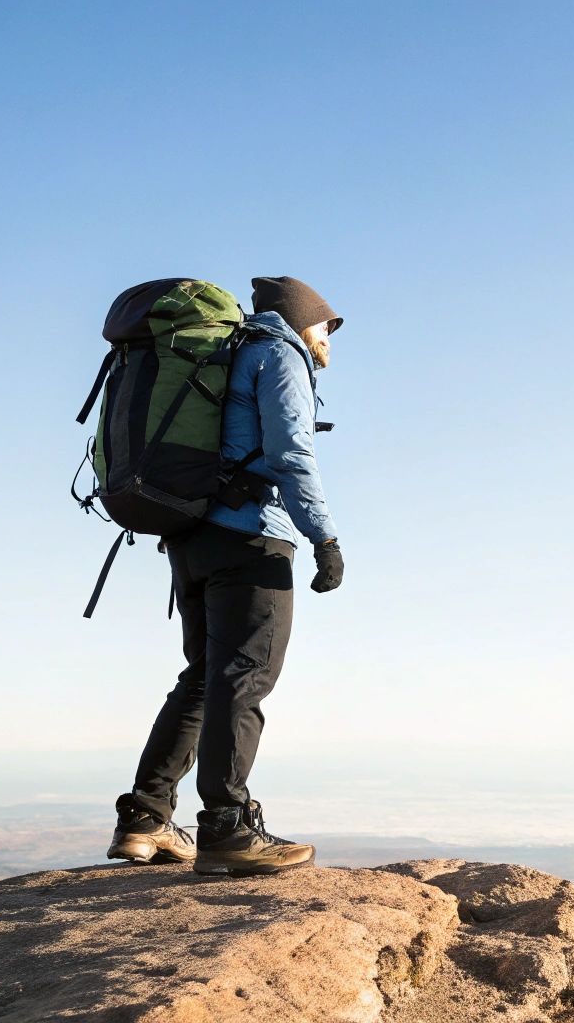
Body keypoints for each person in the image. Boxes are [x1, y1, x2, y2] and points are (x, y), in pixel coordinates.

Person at [105, 276, 345, 877]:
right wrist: (324, 538)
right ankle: (227, 828)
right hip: (251, 537)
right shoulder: (278, 353)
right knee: (243, 677)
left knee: (203, 679)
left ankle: (145, 818)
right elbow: (291, 452)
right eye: (326, 326)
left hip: (190, 536)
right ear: (301, 318)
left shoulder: (226, 352)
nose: (328, 338)